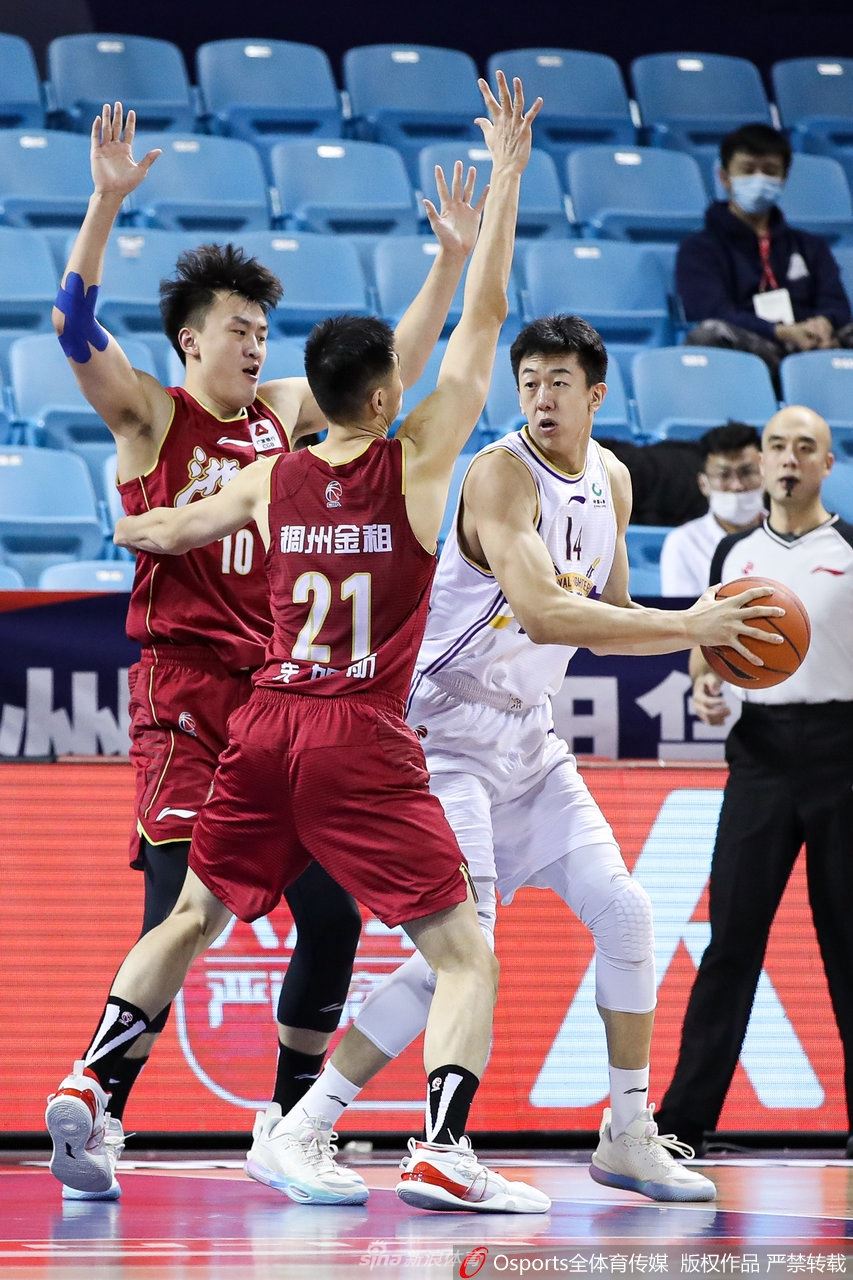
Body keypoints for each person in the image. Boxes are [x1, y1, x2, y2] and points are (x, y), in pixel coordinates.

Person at [46, 71, 558, 1215]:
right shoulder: (165, 415)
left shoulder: (276, 452)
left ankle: (278, 1123)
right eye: (239, 328)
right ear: (191, 339)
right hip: (242, 702)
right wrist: (106, 200)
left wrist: (142, 526)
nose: (255, 343)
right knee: (441, 943)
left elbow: (380, 372)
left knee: (274, 916)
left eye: (266, 333)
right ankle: (120, 1095)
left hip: (266, 704)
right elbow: (460, 344)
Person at [238, 315, 788, 1207]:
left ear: (596, 394)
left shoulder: (610, 479)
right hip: (442, 739)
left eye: (558, 382)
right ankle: (316, 1127)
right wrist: (694, 624)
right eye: (528, 381)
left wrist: (695, 638)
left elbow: (606, 619)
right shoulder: (498, 475)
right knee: (462, 953)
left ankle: (628, 1133)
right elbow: (543, 612)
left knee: (626, 914)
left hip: (527, 740)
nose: (539, 397)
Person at [655, 405, 853, 1156]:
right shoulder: (732, 555)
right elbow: (705, 649)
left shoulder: (849, 548)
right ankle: (682, 1125)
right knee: (730, 940)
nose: (789, 458)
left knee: (847, 944)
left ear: (827, 464)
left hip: (842, 753)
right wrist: (705, 684)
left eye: (805, 447)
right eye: (777, 446)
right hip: (760, 754)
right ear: (762, 460)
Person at [677, 123, 853, 385]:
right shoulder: (699, 248)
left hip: (814, 347)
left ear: (783, 178)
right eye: (748, 170)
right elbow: (711, 310)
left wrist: (824, 324)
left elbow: (837, 304)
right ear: (725, 177)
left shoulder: (811, 246)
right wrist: (780, 332)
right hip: (754, 350)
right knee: (710, 333)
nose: (759, 179)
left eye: (770, 171)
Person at [660, 422, 763, 597]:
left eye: (747, 472)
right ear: (703, 483)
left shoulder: (786, 534)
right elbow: (681, 611)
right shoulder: (683, 543)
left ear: (764, 474)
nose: (737, 485)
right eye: (724, 475)